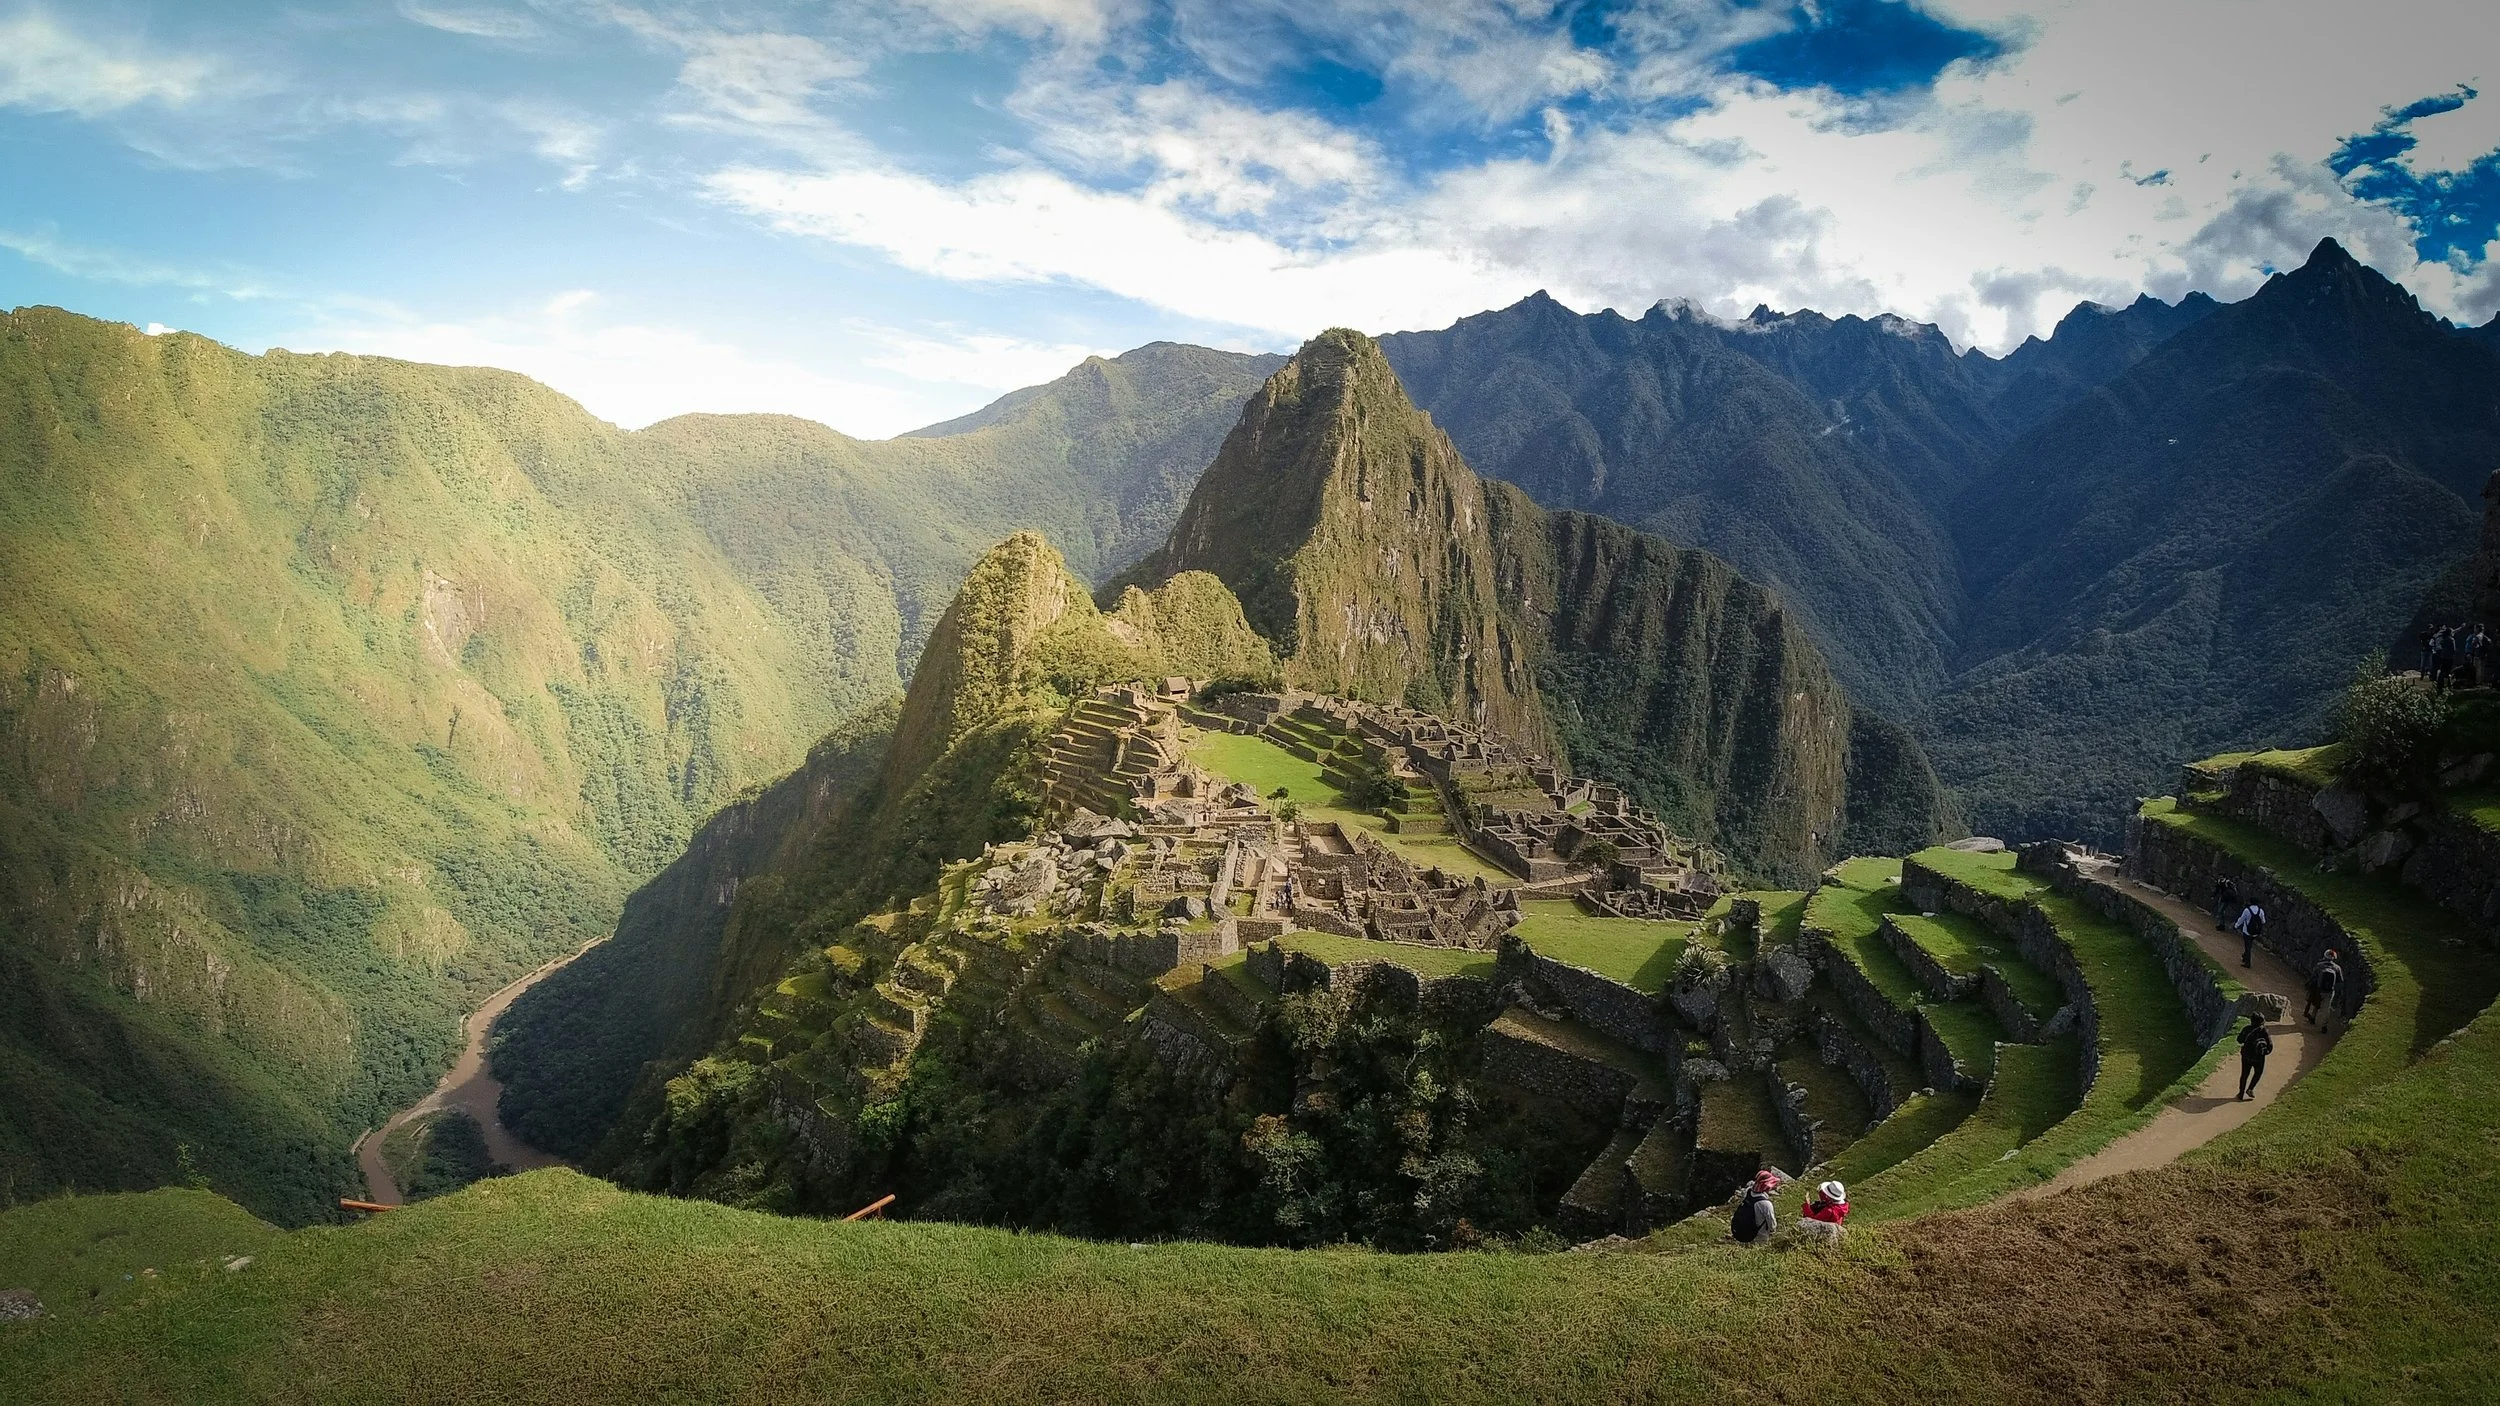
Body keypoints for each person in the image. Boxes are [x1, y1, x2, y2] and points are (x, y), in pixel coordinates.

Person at [1730, 1169, 1782, 1246]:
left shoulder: (1748, 1191)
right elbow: (1772, 1225)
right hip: (1759, 1237)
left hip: (1744, 1232)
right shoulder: (1766, 1204)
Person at [1797, 1180, 1849, 1245]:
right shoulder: (1842, 1207)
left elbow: (1812, 1219)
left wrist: (1806, 1205)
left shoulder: (1829, 1211)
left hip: (1824, 1235)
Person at [2236, 1013, 2274, 1100]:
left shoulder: (2247, 1029)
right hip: (2259, 1057)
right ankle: (2250, 1089)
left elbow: (2239, 1040)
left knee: (2244, 1075)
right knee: (2258, 1073)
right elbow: (2270, 1045)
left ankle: (2241, 1093)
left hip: (2246, 1056)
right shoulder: (2264, 1031)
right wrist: (2265, 1052)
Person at [2305, 949, 2345, 1027]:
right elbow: (2340, 981)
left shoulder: (2319, 965)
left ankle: (2313, 1018)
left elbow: (2313, 977)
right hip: (2329, 991)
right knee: (2326, 1008)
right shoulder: (2337, 968)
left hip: (2318, 989)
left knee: (2316, 1003)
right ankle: (2324, 1025)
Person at [2233, 900, 2267, 968]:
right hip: (2255, 932)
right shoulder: (2260, 911)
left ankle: (2247, 962)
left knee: (2247, 946)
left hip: (2247, 931)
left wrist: (2236, 926)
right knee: (2249, 945)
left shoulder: (2247, 910)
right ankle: (2245, 956)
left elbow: (2241, 919)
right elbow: (2263, 921)